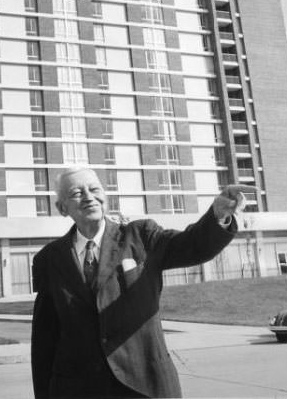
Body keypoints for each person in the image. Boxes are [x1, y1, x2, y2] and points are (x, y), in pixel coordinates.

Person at [31, 166, 250, 399]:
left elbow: (193, 245)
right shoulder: (49, 259)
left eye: (94, 189)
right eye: (77, 193)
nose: (88, 197)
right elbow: (46, 338)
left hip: (145, 385)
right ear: (62, 207)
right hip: (78, 389)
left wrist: (218, 216)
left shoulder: (142, 236)